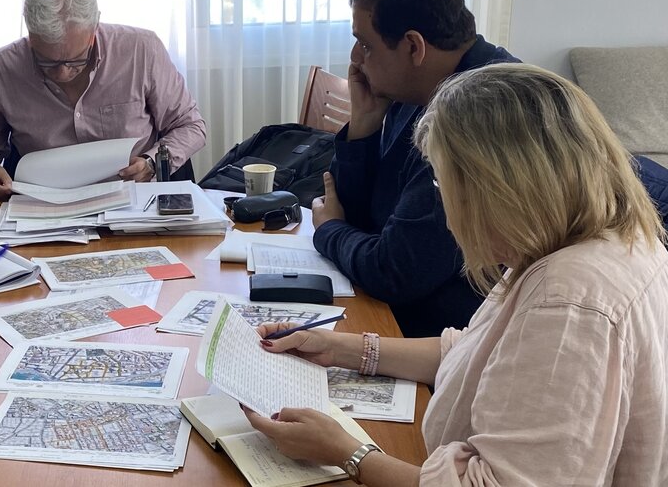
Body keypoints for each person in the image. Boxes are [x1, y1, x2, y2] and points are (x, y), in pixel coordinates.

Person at [249, 64, 668, 485]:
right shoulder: (602, 239)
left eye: (441, 184)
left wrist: (346, 452)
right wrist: (337, 348)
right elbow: (473, 353)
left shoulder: (567, 301)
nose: (447, 214)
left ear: (494, 189)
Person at [312, 0, 518, 337]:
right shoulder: (416, 87)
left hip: (447, 338)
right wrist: (363, 126)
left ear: (413, 46)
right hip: (399, 313)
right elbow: (362, 219)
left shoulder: (477, 119)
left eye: (365, 44)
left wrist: (330, 230)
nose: (355, 58)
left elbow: (394, 271)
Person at [0, 0, 207, 202]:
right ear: (30, 35)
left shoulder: (141, 50)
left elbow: (190, 125)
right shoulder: (0, 68)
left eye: (75, 60)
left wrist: (151, 162)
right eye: (47, 61)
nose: (62, 73)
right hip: (45, 209)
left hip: (134, 203)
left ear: (94, 29)